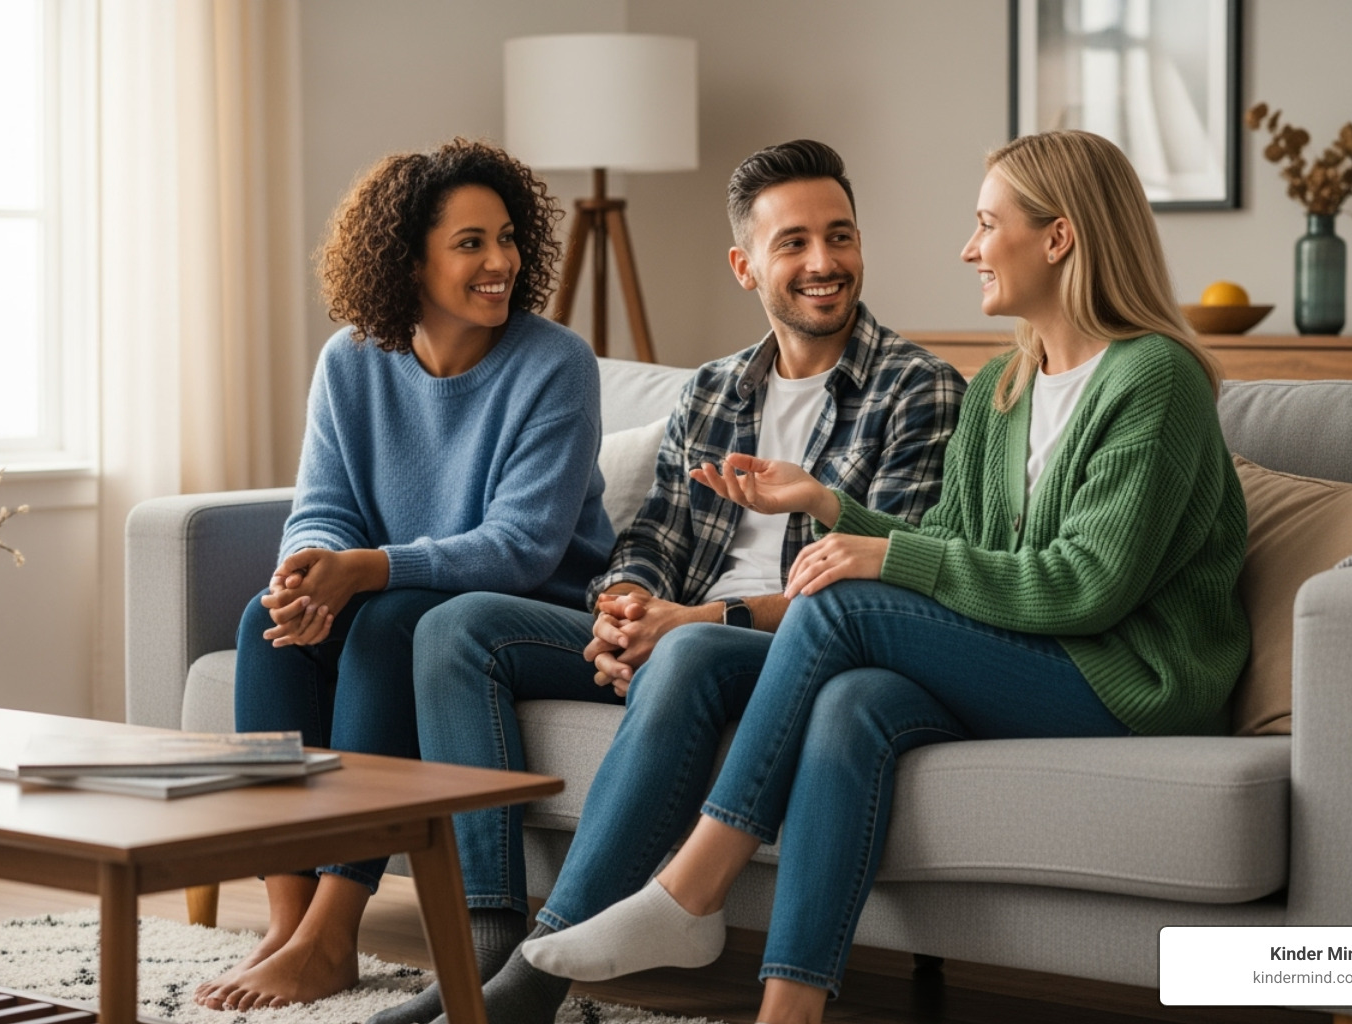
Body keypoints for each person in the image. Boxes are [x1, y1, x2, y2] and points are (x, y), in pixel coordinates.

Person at [519, 130, 1252, 1024]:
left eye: (988, 225)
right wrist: (832, 510)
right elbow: (946, 539)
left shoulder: (1154, 379)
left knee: (841, 608)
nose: (969, 248)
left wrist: (875, 555)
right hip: (1029, 656)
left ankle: (693, 887)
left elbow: (1086, 585)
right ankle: (788, 1011)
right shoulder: (1006, 389)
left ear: (1058, 238)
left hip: (1128, 678)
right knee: (852, 701)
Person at [366, 140, 966, 1024]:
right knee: (454, 630)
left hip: (785, 649)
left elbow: (873, 591)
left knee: (683, 655)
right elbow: (651, 535)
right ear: (744, 265)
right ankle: (484, 948)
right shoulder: (713, 391)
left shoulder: (918, 391)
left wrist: (688, 620)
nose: (823, 263)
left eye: (839, 237)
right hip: (682, 625)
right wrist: (624, 608)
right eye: (793, 242)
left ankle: (534, 983)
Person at [194, 139, 614, 1012]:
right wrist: (307, 574)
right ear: (407, 258)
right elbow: (324, 505)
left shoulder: (555, 363)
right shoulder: (352, 361)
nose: (500, 261)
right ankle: (289, 917)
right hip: (399, 591)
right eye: (470, 243)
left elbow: (526, 545)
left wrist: (371, 570)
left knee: (392, 623)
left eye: (506, 238)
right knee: (261, 624)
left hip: (530, 613)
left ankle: (336, 928)